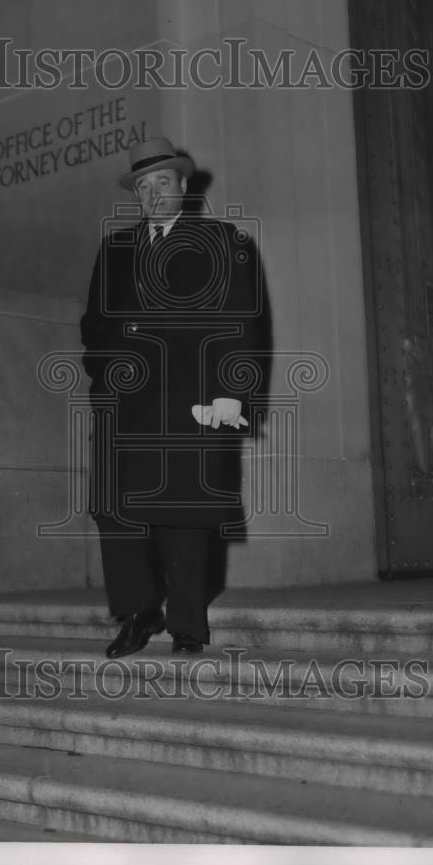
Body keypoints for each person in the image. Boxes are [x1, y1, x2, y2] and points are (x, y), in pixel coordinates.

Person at [80, 137, 261, 659]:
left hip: (193, 399)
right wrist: (105, 379)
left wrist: (231, 391)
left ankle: (187, 625)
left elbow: (242, 323)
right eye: (143, 185)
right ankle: (138, 613)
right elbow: (94, 325)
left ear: (183, 186)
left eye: (163, 182)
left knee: (183, 512)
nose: (153, 193)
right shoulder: (114, 249)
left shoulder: (225, 241)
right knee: (117, 513)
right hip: (124, 403)